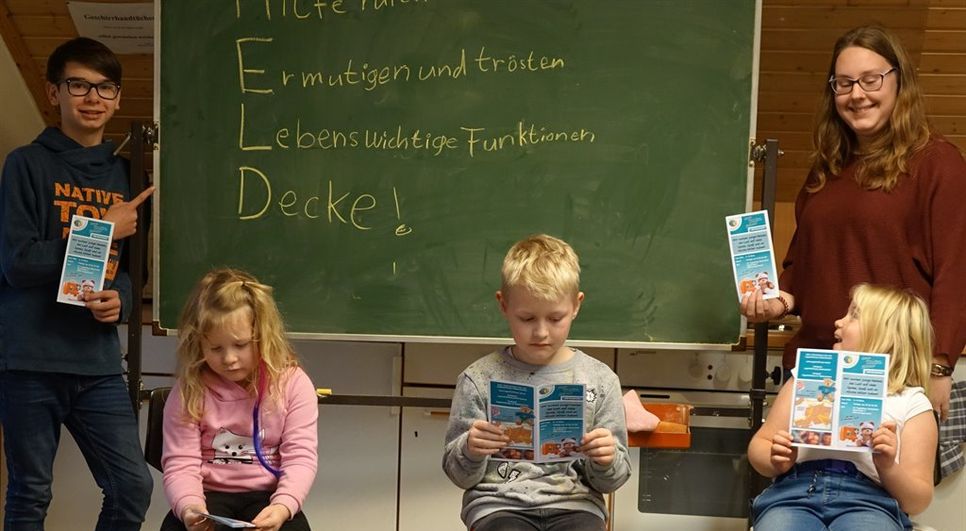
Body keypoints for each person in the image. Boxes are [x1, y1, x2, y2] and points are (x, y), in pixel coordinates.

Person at [739, 25, 966, 420]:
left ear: (900, 82)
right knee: (801, 480)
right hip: (816, 374)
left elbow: (956, 275)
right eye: (843, 84)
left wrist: (940, 364)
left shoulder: (937, 163)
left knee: (887, 481)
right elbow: (802, 268)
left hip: (895, 376)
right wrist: (778, 300)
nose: (857, 94)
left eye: (870, 80)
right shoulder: (824, 171)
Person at [0, 37, 154, 529]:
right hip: (29, 359)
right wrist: (101, 227)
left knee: (133, 487)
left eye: (105, 87)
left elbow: (134, 270)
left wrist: (122, 301)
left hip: (97, 363)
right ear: (53, 93)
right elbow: (17, 262)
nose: (93, 98)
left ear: (116, 96)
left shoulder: (128, 176)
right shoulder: (26, 164)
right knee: (30, 494)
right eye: (79, 85)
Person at [442, 234, 631, 531]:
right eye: (527, 318)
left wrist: (606, 459)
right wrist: (471, 449)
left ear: (576, 306)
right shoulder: (477, 379)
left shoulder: (601, 380)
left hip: (576, 505)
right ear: (503, 305)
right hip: (499, 505)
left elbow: (612, 481)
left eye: (555, 318)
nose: (541, 332)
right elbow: (459, 476)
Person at [748, 284, 938, 530]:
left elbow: (918, 501)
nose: (839, 321)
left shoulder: (912, 403)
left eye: (854, 315)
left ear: (889, 335)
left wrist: (888, 466)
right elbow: (758, 447)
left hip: (870, 501)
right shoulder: (806, 379)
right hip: (794, 495)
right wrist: (775, 458)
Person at [161, 268, 318, 531]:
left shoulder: (293, 384)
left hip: (268, 497)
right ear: (199, 345)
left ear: (264, 336)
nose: (229, 359)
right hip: (208, 496)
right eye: (215, 348)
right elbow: (180, 463)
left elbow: (300, 458)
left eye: (241, 345)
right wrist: (190, 506)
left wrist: (283, 506)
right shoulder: (189, 390)